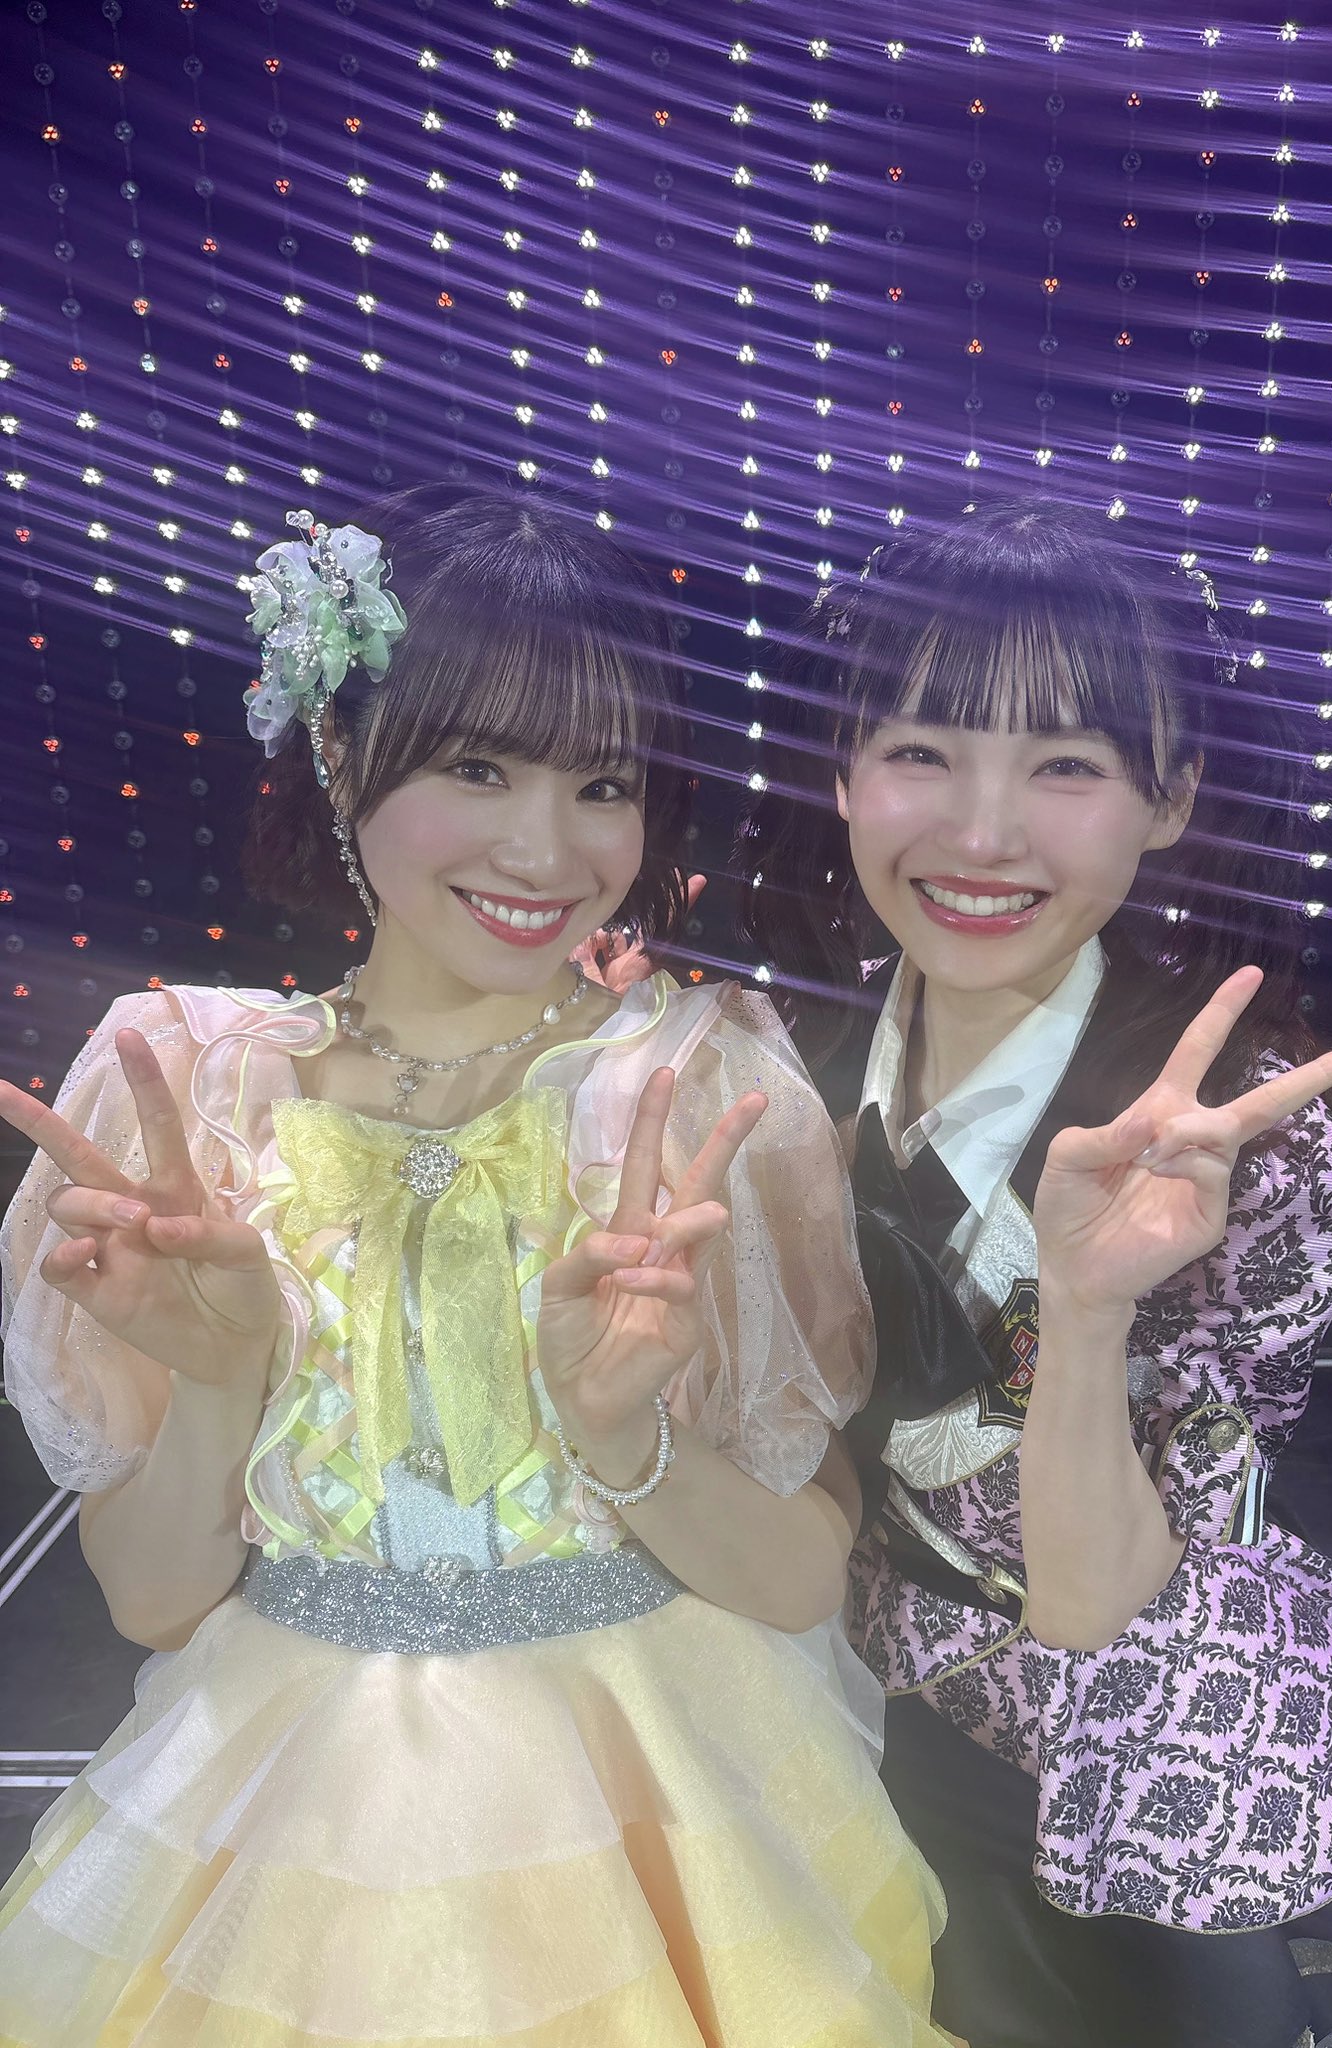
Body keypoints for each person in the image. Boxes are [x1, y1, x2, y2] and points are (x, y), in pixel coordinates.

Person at [0, 485, 954, 2047]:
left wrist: (620, 1435)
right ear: (337, 752)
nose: (546, 847)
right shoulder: (194, 1090)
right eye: (476, 766)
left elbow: (795, 1584)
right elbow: (159, 1604)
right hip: (270, 1805)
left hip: (660, 1784)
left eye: (602, 783)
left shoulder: (697, 1088)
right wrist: (218, 1373)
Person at [742, 499, 1332, 2048]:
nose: (980, 834)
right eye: (921, 751)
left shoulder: (1259, 1159)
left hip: (1120, 1759)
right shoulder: (774, 1072)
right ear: (841, 772)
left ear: (1169, 800)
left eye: (1066, 766)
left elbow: (1104, 1602)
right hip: (837, 1698)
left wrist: (1087, 1311)